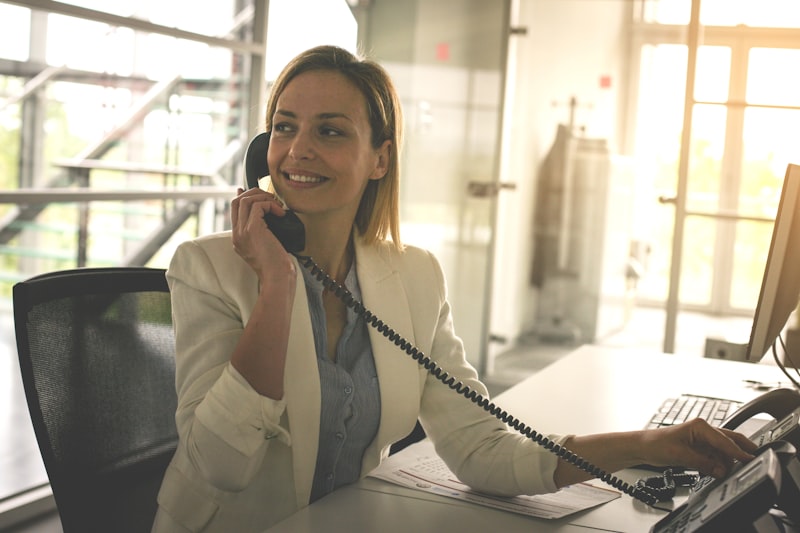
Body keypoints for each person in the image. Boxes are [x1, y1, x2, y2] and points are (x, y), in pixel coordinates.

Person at [152, 45, 756, 532]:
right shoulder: (208, 269)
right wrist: (279, 284)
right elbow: (219, 469)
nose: (298, 150)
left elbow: (481, 449)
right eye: (284, 128)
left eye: (330, 132)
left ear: (380, 159)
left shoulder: (412, 276)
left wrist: (654, 444)